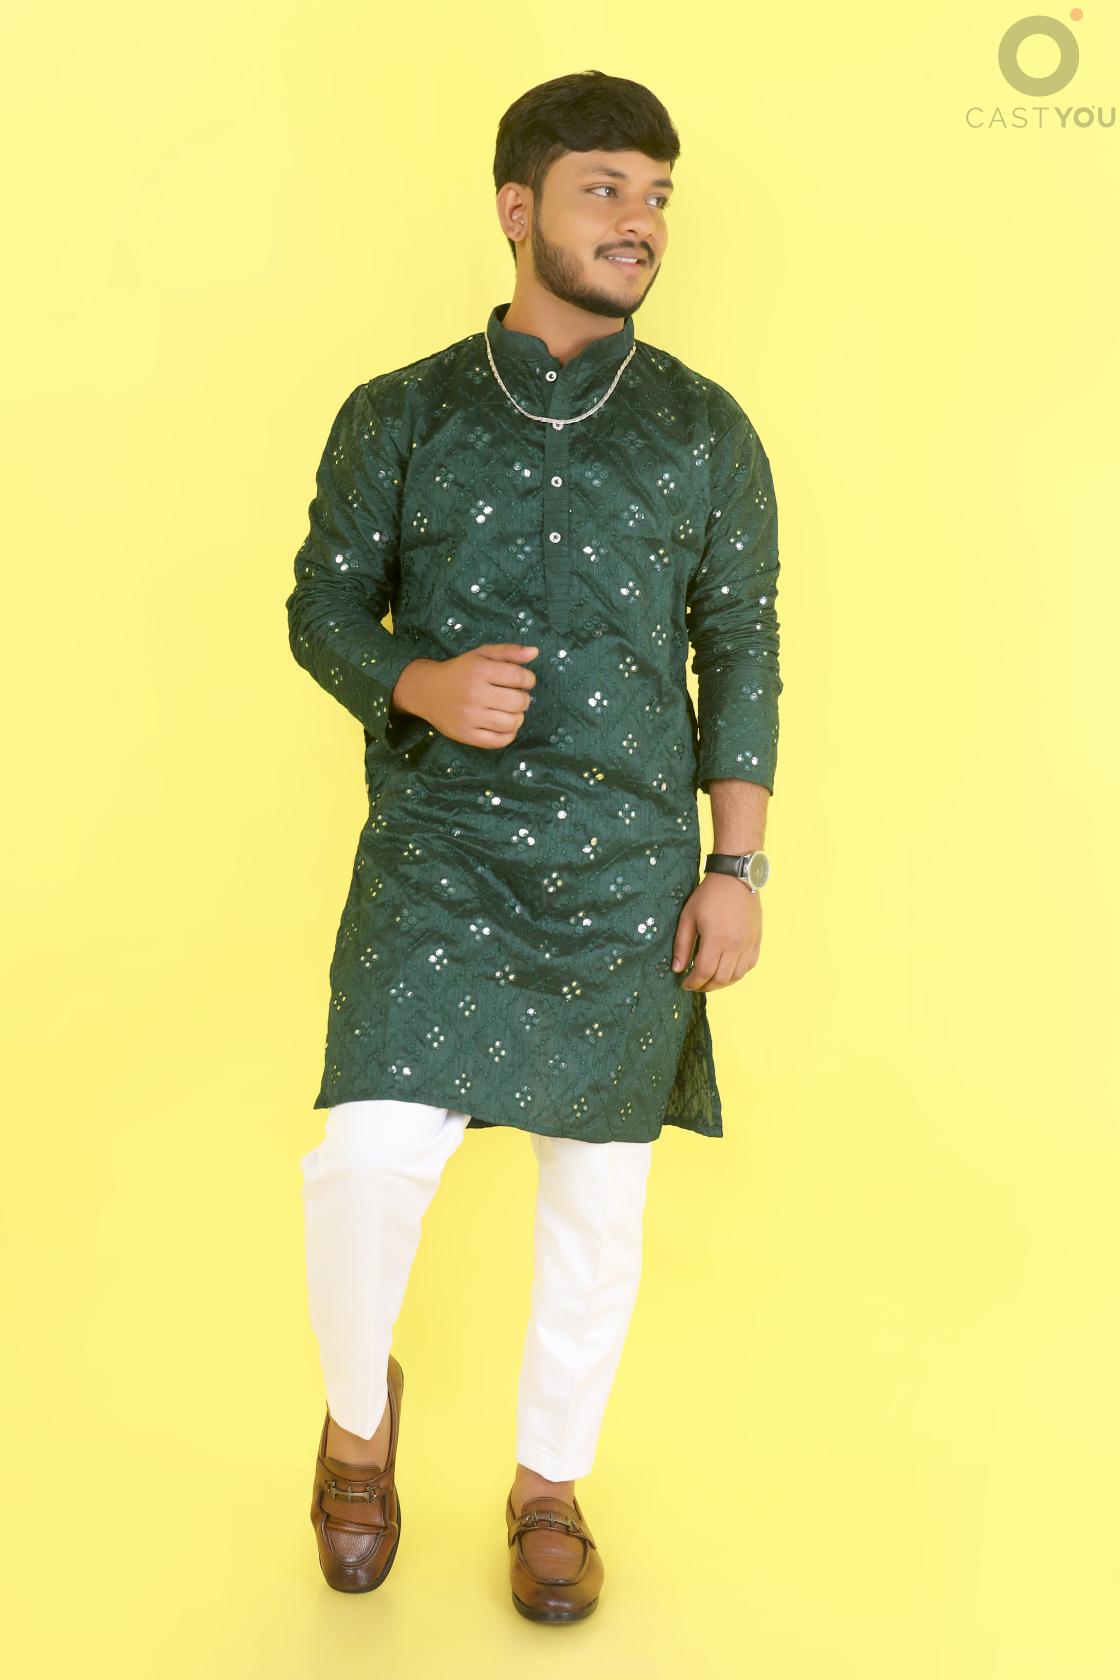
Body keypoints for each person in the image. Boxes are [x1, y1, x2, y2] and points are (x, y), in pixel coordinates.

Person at [286, 68, 782, 1621]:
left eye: (657, 197)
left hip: (628, 867)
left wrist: (736, 866)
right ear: (519, 209)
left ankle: (549, 1483)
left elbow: (742, 645)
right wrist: (417, 684)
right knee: (367, 1162)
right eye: (605, 190)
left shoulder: (704, 429)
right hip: (440, 846)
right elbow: (321, 607)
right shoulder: (403, 412)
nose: (640, 222)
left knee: (599, 1202)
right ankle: (357, 1423)